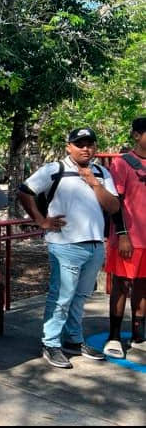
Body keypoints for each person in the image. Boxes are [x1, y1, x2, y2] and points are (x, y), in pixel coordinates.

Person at [19, 127, 120, 369]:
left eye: (90, 144)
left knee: (80, 296)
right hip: (65, 245)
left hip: (95, 244)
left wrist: (94, 183)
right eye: (80, 144)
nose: (86, 148)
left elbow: (114, 207)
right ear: (69, 147)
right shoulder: (55, 170)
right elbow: (25, 191)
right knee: (61, 297)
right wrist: (40, 220)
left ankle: (73, 339)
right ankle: (51, 342)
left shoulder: (101, 172)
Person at [103, 116, 146, 358]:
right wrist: (122, 234)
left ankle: (139, 334)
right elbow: (115, 202)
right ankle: (115, 336)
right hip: (128, 237)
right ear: (137, 135)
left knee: (144, 285)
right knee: (121, 285)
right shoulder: (122, 164)